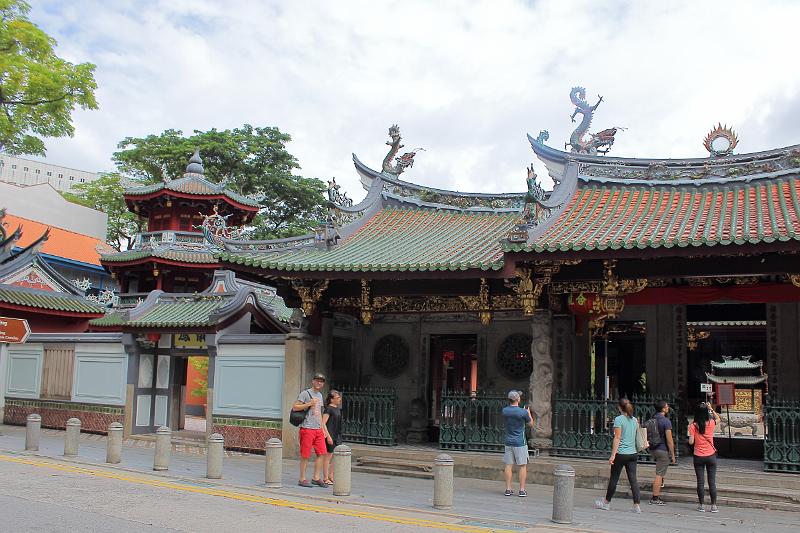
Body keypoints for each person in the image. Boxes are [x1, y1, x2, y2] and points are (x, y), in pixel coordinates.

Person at [595, 398, 642, 513]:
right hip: (633, 453)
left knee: (614, 478)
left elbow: (617, 438)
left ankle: (606, 503)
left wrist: (613, 455)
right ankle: (637, 506)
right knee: (633, 479)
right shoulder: (635, 420)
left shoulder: (618, 420)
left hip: (621, 453)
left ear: (619, 407)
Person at [292, 372, 331, 487]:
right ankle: (302, 478)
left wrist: (322, 428)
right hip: (307, 428)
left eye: (322, 381)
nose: (319, 383)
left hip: (317, 429)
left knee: (322, 453)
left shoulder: (319, 395)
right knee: (305, 454)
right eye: (317, 380)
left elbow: (319, 413)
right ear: (313, 381)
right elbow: (295, 407)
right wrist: (309, 403)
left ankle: (316, 477)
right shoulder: (305, 393)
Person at [688, 401, 721, 513]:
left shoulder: (693, 426)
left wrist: (692, 435)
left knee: (700, 482)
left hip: (698, 456)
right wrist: (711, 409)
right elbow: (719, 419)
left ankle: (701, 505)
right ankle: (714, 506)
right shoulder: (711, 422)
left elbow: (691, 442)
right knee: (712, 482)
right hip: (711, 455)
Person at [502, 390, 535, 497]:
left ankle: (508, 489)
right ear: (518, 399)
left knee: (508, 465)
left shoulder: (505, 411)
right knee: (522, 466)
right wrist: (528, 412)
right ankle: (521, 489)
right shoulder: (523, 412)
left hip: (508, 441)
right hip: (520, 442)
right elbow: (531, 424)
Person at [648, 399, 676, 505]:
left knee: (661, 471)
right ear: (663, 409)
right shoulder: (666, 421)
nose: (668, 408)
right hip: (662, 449)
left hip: (653, 448)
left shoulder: (652, 419)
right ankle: (655, 498)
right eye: (667, 406)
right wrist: (672, 454)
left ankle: (661, 484)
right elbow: (669, 440)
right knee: (659, 474)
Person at [322, 389, 343, 485]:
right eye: (337, 397)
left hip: (337, 435)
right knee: (328, 457)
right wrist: (328, 436)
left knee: (336, 456)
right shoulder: (329, 409)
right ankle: (326, 477)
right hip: (330, 435)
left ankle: (331, 475)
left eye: (339, 397)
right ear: (331, 399)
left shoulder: (338, 408)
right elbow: (323, 423)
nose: (340, 399)